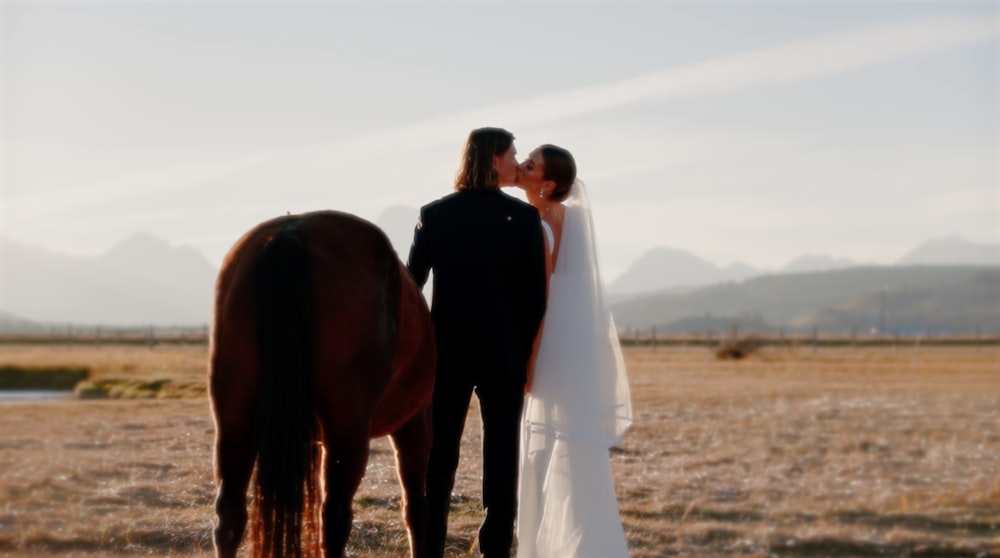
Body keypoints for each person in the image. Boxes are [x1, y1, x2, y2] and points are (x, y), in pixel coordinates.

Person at [407, 127, 549, 558]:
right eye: (512, 154)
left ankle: (429, 550)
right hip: (504, 357)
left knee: (438, 459)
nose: (516, 161)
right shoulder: (525, 220)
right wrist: (525, 355)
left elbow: (411, 288)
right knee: (502, 460)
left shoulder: (433, 214)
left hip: (445, 355)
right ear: (492, 159)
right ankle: (495, 552)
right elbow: (535, 298)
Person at [509, 145, 633, 558]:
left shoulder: (540, 226)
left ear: (546, 184)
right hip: (568, 348)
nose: (519, 167)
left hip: (550, 349)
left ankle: (547, 546)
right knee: (569, 449)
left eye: (529, 165)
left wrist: (529, 361)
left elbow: (540, 301)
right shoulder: (567, 219)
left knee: (548, 445)